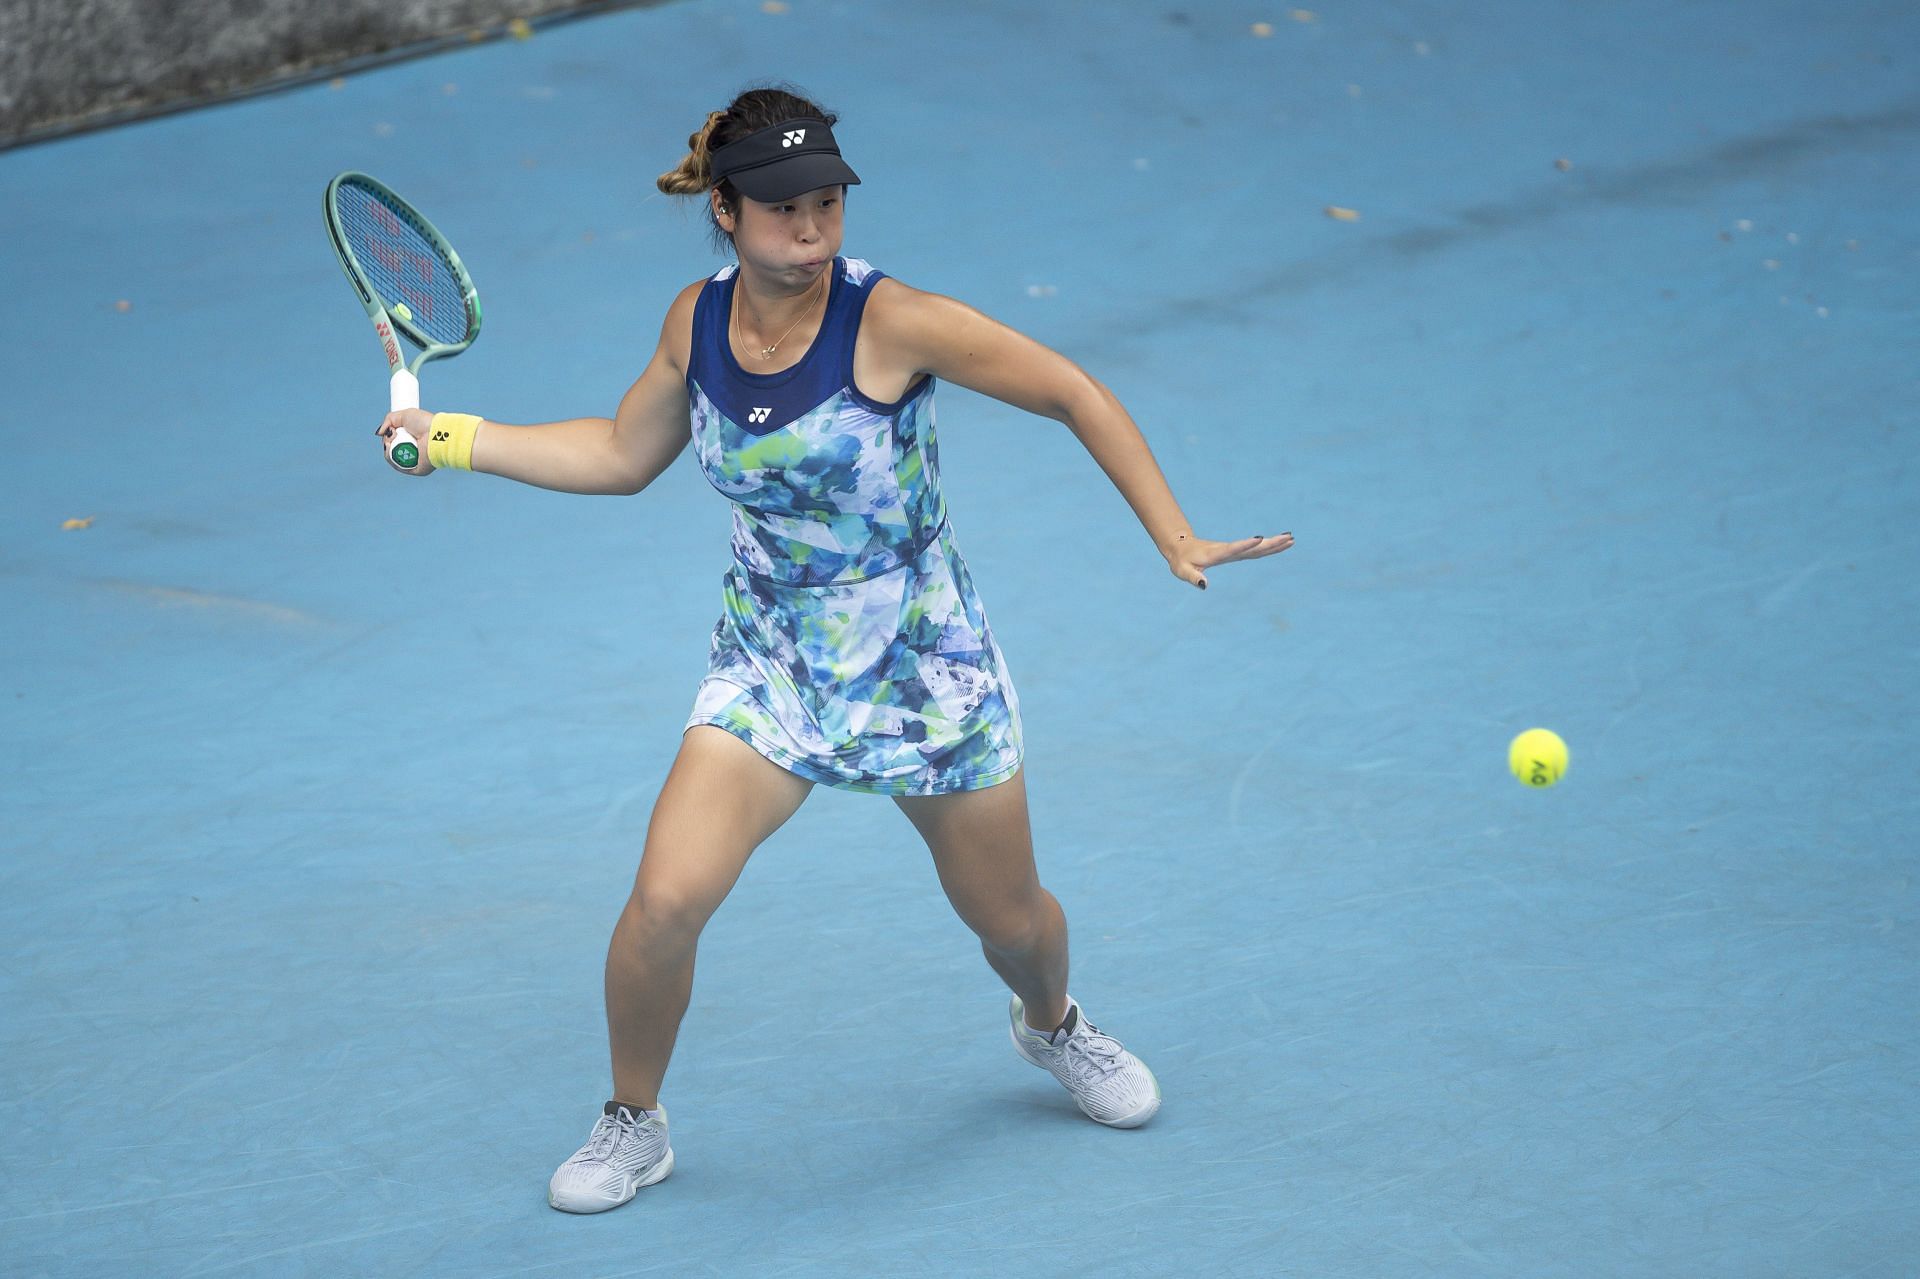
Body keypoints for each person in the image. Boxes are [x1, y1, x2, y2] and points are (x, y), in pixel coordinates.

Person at [374, 83, 1294, 1215]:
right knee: (664, 900)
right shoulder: (695, 325)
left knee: (1011, 922)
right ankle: (634, 1120)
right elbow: (619, 452)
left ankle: (1055, 1025)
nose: (811, 232)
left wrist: (1172, 527)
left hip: (922, 665)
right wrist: (452, 438)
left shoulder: (891, 319)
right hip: (771, 661)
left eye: (827, 205)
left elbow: (1068, 389)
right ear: (727, 211)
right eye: (783, 211)